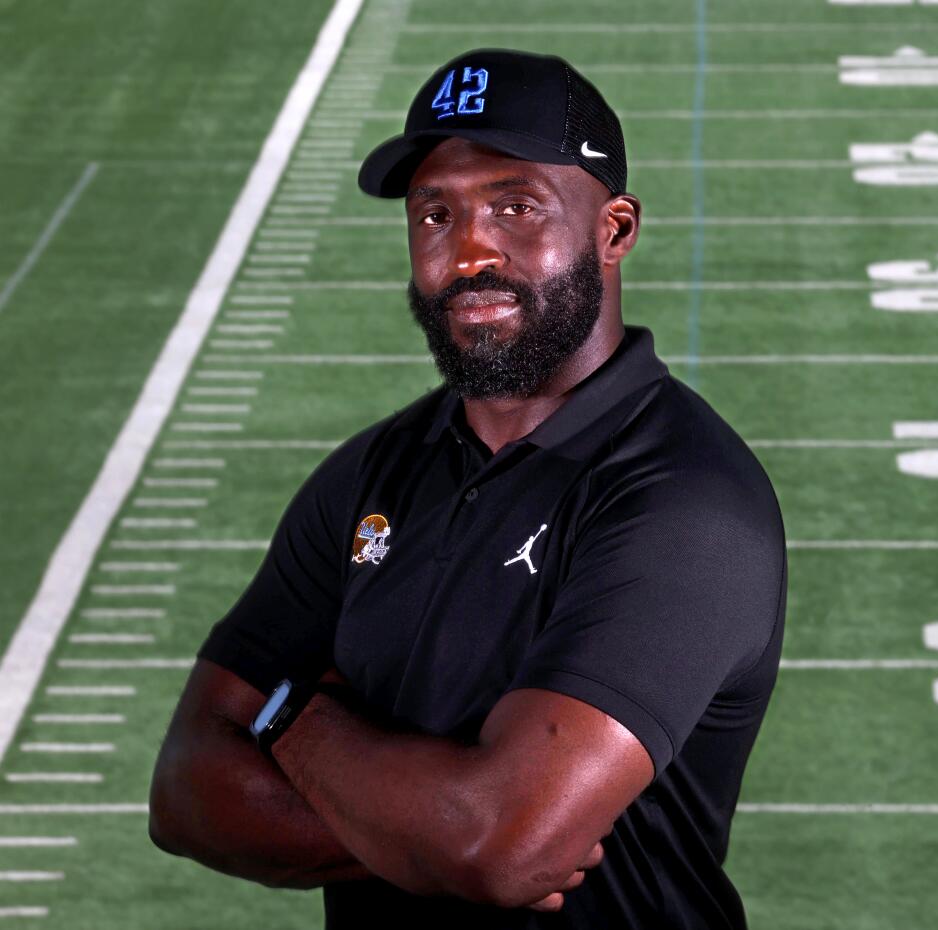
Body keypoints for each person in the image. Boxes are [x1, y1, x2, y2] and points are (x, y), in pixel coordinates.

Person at [148, 48, 787, 929]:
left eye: (516, 206)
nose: (470, 248)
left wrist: (293, 720)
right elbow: (184, 791)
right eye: (435, 213)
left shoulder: (683, 501)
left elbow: (506, 845)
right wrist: (433, 831)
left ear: (615, 230)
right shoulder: (370, 474)